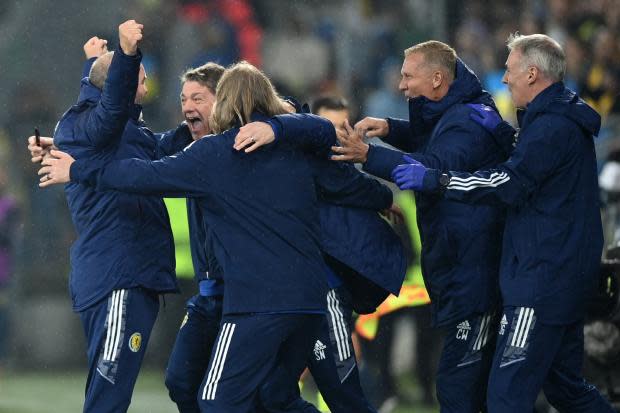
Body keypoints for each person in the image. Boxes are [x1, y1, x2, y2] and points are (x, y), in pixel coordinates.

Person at [39, 61, 393, 412]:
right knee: (262, 394)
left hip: (259, 300)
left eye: (198, 98)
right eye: (183, 98)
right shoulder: (268, 148)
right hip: (270, 296)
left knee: (229, 399)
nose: (187, 107)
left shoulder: (217, 154)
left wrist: (78, 168)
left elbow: (139, 174)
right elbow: (135, 153)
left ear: (224, 101)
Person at [391, 33, 616, 413]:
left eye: (510, 70)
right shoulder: (551, 122)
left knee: (506, 400)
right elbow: (532, 164)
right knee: (566, 390)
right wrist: (504, 134)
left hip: (539, 284)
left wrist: (440, 179)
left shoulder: (551, 128)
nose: (505, 79)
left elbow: (509, 182)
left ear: (532, 73)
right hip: (558, 277)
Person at [331, 40, 513, 412]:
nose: (401, 85)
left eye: (407, 76)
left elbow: (429, 170)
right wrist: (390, 128)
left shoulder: (466, 122)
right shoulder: (455, 110)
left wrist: (368, 155)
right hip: (459, 266)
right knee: (470, 386)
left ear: (436, 78)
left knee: (458, 387)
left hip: (472, 270)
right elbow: (433, 137)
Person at [39, 21, 179, 413]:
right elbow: (110, 102)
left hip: (126, 274)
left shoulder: (120, 132)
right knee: (108, 396)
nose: (146, 87)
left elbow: (154, 142)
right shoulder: (94, 125)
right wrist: (126, 53)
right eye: (140, 78)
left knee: (109, 390)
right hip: (118, 277)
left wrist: (200, 128)